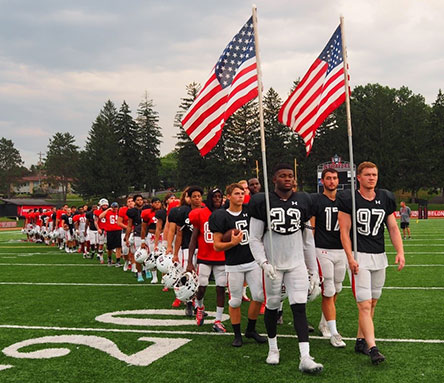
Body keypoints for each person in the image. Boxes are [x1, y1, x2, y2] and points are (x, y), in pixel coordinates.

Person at [248, 163, 323, 373]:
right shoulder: (263, 202)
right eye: (282, 175)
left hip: (296, 262)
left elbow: (308, 241)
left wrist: (313, 270)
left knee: (299, 307)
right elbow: (254, 238)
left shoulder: (303, 201)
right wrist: (263, 263)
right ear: (274, 179)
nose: (287, 179)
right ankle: (273, 348)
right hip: (273, 263)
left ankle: (305, 356)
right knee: (272, 305)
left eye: (290, 175)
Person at [337, 161, 405, 365]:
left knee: (373, 302)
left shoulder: (385, 197)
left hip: (379, 256)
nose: (372, 178)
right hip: (360, 256)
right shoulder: (349, 198)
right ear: (358, 177)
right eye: (367, 175)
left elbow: (392, 227)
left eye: (374, 174)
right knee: (364, 305)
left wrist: (400, 251)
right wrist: (350, 257)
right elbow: (344, 231)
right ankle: (373, 348)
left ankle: (360, 340)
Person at [210, 183, 266, 347]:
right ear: (229, 197)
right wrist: (233, 243)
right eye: (236, 193)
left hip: (252, 261)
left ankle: (251, 329)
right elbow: (216, 245)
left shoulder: (250, 212)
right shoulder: (222, 216)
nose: (240, 196)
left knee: (259, 296)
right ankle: (237, 335)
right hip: (234, 264)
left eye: (242, 193)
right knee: (235, 301)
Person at [310, 168, 347, 347]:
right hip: (323, 249)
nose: (331, 181)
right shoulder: (316, 200)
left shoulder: (344, 200)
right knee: (329, 289)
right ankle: (333, 331)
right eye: (328, 178)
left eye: (334, 178)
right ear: (322, 181)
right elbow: (312, 229)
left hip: (341, 250)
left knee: (337, 288)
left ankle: (324, 322)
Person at [187, 188, 227, 333]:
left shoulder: (225, 213)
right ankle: (200, 306)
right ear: (209, 198)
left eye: (219, 197)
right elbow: (193, 239)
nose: (217, 199)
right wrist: (190, 261)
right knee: (202, 285)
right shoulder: (199, 213)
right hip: (204, 256)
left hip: (221, 257)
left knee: (221, 287)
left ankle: (218, 320)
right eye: (214, 197)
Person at [99, 202, 122, 266]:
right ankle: (109, 258)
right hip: (110, 231)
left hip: (118, 230)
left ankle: (118, 260)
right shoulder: (108, 212)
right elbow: (100, 216)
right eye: (114, 207)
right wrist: (108, 210)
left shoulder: (120, 213)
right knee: (109, 247)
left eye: (116, 207)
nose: (115, 208)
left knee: (118, 246)